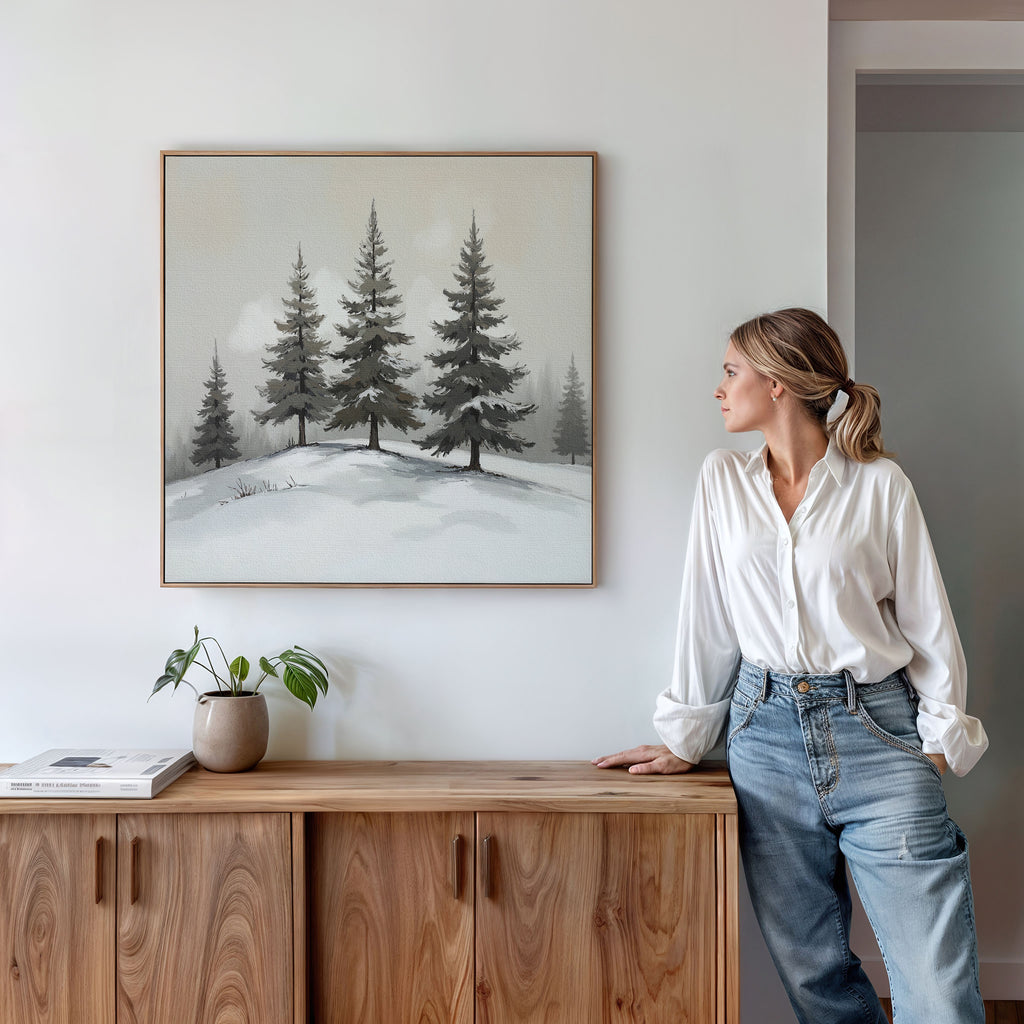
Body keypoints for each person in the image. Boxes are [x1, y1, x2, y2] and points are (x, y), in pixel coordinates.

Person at [594, 308, 988, 1024]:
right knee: (815, 979)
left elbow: (929, 621)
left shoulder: (880, 485)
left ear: (777, 383)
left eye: (731, 372)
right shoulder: (722, 480)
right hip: (764, 737)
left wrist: (936, 743)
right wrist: (687, 736)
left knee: (937, 988)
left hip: (879, 732)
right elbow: (707, 617)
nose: (719, 389)